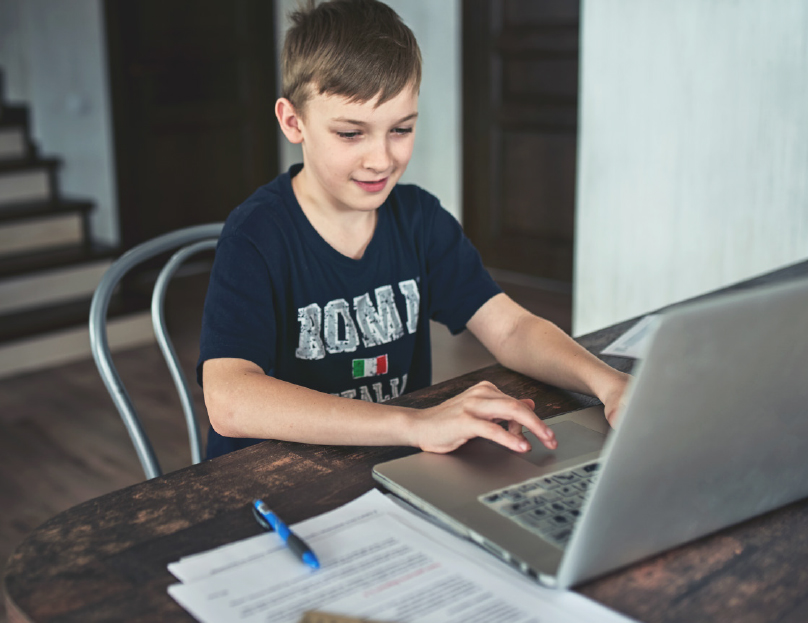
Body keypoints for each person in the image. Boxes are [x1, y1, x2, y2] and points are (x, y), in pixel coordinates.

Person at [198, 0, 629, 460]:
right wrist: (416, 422)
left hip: (388, 461)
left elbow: (512, 328)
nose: (382, 160)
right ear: (293, 121)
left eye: (400, 129)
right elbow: (229, 400)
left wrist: (610, 384)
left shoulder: (419, 219)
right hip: (271, 483)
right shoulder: (256, 235)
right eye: (351, 133)